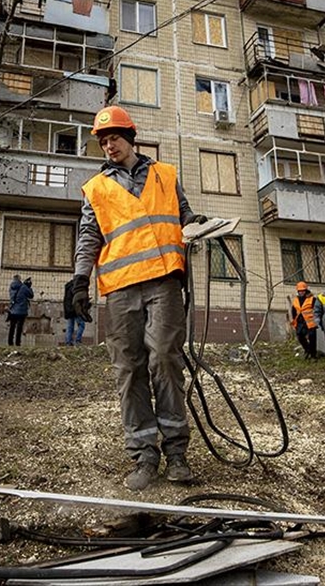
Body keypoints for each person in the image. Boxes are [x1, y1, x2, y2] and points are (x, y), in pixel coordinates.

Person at [69, 105, 207, 491]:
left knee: (164, 358)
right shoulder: (96, 189)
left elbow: (184, 214)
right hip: (119, 289)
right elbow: (88, 238)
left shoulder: (165, 175)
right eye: (102, 141)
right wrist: (80, 280)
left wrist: (195, 224)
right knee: (129, 369)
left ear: (130, 137)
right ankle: (144, 454)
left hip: (164, 281)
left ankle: (176, 452)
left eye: (113, 138)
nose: (108, 146)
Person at [288, 281, 322, 359]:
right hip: (300, 322)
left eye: (302, 291)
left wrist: (317, 320)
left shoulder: (312, 299)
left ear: (306, 290)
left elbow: (317, 310)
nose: (301, 292)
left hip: (310, 322)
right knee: (300, 337)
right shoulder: (296, 300)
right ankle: (307, 350)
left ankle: (313, 355)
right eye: (299, 291)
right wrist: (294, 320)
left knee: (312, 338)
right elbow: (294, 310)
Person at [6, 275, 33, 346]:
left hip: (12, 310)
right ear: (19, 279)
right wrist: (29, 287)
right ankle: (17, 343)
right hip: (21, 311)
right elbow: (31, 295)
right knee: (19, 328)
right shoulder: (23, 287)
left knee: (12, 327)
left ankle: (10, 342)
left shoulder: (11, 287)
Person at [62, 277, 86, 345]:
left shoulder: (67, 287)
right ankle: (78, 340)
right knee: (81, 324)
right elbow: (77, 299)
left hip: (68, 310)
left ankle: (68, 341)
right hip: (75, 309)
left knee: (70, 326)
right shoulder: (76, 287)